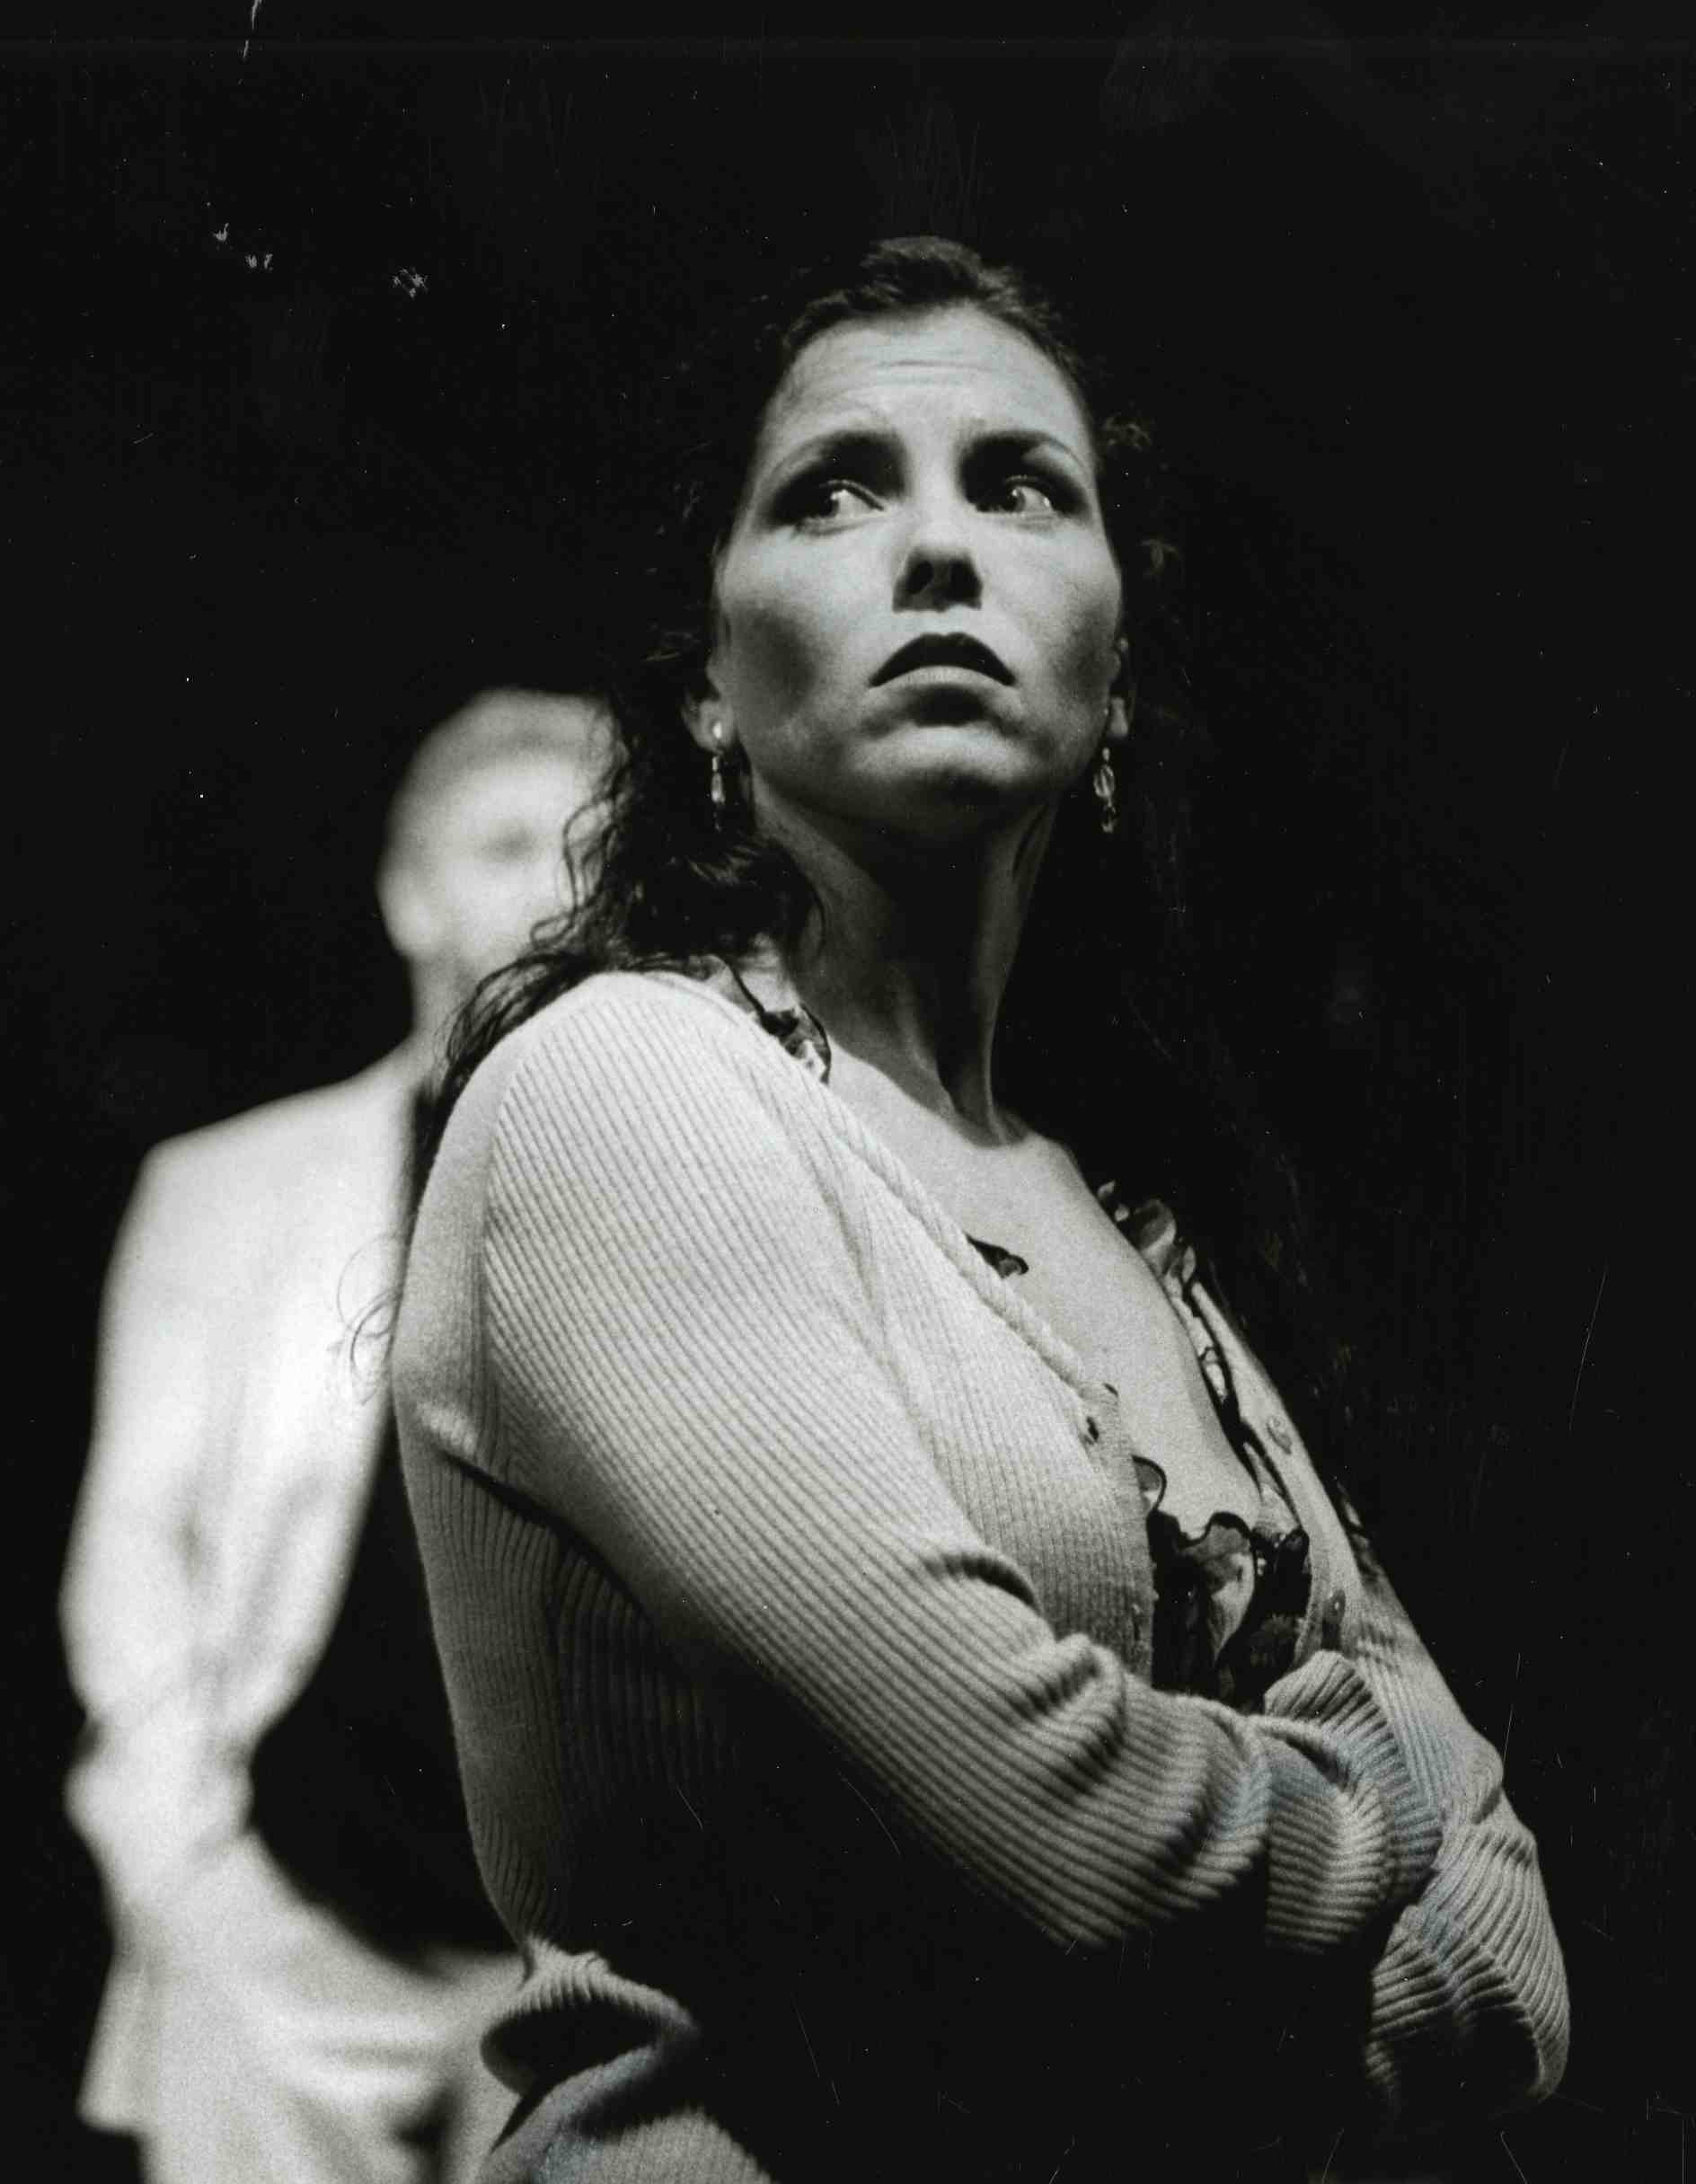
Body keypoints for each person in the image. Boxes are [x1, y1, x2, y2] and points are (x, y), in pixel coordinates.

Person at [394, 240, 1568, 2183]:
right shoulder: (628, 1091)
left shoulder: (1117, 1212)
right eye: (832, 490)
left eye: (1019, 485)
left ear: (1117, 676)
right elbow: (1067, 1844)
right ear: (703, 685)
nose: (938, 547)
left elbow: (1519, 1956)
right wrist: (1379, 1790)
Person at [61, 687, 611, 2184]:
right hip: (289, 1933)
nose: (559, 885)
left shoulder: (694, 1183)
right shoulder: (230, 1185)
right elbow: (134, 1544)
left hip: (588, 1969)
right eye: (506, 845)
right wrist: (188, 1878)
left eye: (594, 849)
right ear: (407, 896)